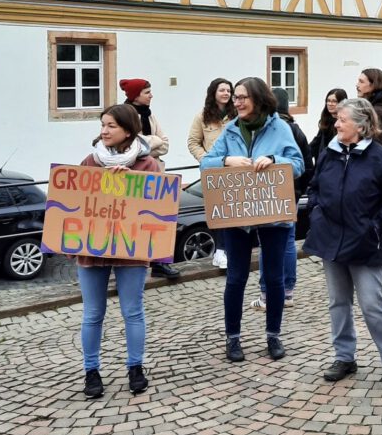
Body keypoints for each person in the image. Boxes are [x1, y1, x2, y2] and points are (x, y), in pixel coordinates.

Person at [303, 98, 382, 388]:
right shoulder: (329, 153)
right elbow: (315, 188)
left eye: (343, 120)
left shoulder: (380, 158)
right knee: (338, 302)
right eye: (337, 120)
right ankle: (344, 357)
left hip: (365, 244)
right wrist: (317, 213)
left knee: (373, 303)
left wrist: (373, 226)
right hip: (331, 241)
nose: (336, 124)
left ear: (360, 126)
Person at [200, 77, 304, 362]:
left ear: (258, 99)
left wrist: (273, 159)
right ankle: (233, 339)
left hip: (273, 215)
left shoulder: (280, 127)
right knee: (236, 278)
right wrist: (225, 161)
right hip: (238, 217)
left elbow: (298, 165)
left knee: (273, 279)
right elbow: (205, 163)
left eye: (243, 97)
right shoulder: (231, 129)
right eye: (235, 97)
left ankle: (273, 336)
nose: (238, 102)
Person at [78, 104, 160, 399]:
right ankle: (91, 371)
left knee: (132, 311)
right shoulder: (90, 161)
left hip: (131, 248)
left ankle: (135, 368)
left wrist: (131, 184)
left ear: (128, 129)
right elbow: (77, 202)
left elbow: (157, 207)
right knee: (93, 313)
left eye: (111, 125)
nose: (104, 130)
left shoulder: (148, 165)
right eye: (102, 125)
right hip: (93, 249)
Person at [250, 87, 313, 310]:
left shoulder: (274, 130)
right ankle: (287, 292)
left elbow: (303, 165)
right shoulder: (297, 130)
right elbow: (308, 167)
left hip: (271, 194)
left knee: (268, 241)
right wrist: (298, 192)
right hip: (291, 194)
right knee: (287, 241)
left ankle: (268, 293)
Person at [121, 78, 180, 280]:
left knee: (158, 219)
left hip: (155, 173)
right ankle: (128, 265)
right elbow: (131, 146)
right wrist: (151, 143)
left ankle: (159, 263)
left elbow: (164, 144)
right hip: (134, 176)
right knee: (133, 221)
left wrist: (149, 143)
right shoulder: (124, 115)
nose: (151, 95)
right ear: (136, 95)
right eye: (147, 92)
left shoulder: (150, 115)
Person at [187, 78, 236, 269]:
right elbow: (193, 142)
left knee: (233, 212)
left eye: (228, 90)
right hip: (214, 170)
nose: (226, 93)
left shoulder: (236, 116)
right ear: (213, 93)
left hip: (234, 170)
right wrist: (205, 160)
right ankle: (220, 251)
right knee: (218, 212)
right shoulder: (202, 117)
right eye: (222, 90)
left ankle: (231, 249)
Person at [356, 68, 382, 154]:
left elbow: (378, 149)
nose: (357, 85)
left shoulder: (379, 112)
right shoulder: (374, 109)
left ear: (373, 85)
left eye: (361, 82)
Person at [310, 88, 347, 166]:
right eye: (328, 100)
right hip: (322, 164)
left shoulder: (345, 123)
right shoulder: (326, 120)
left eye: (334, 101)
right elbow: (317, 142)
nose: (330, 104)